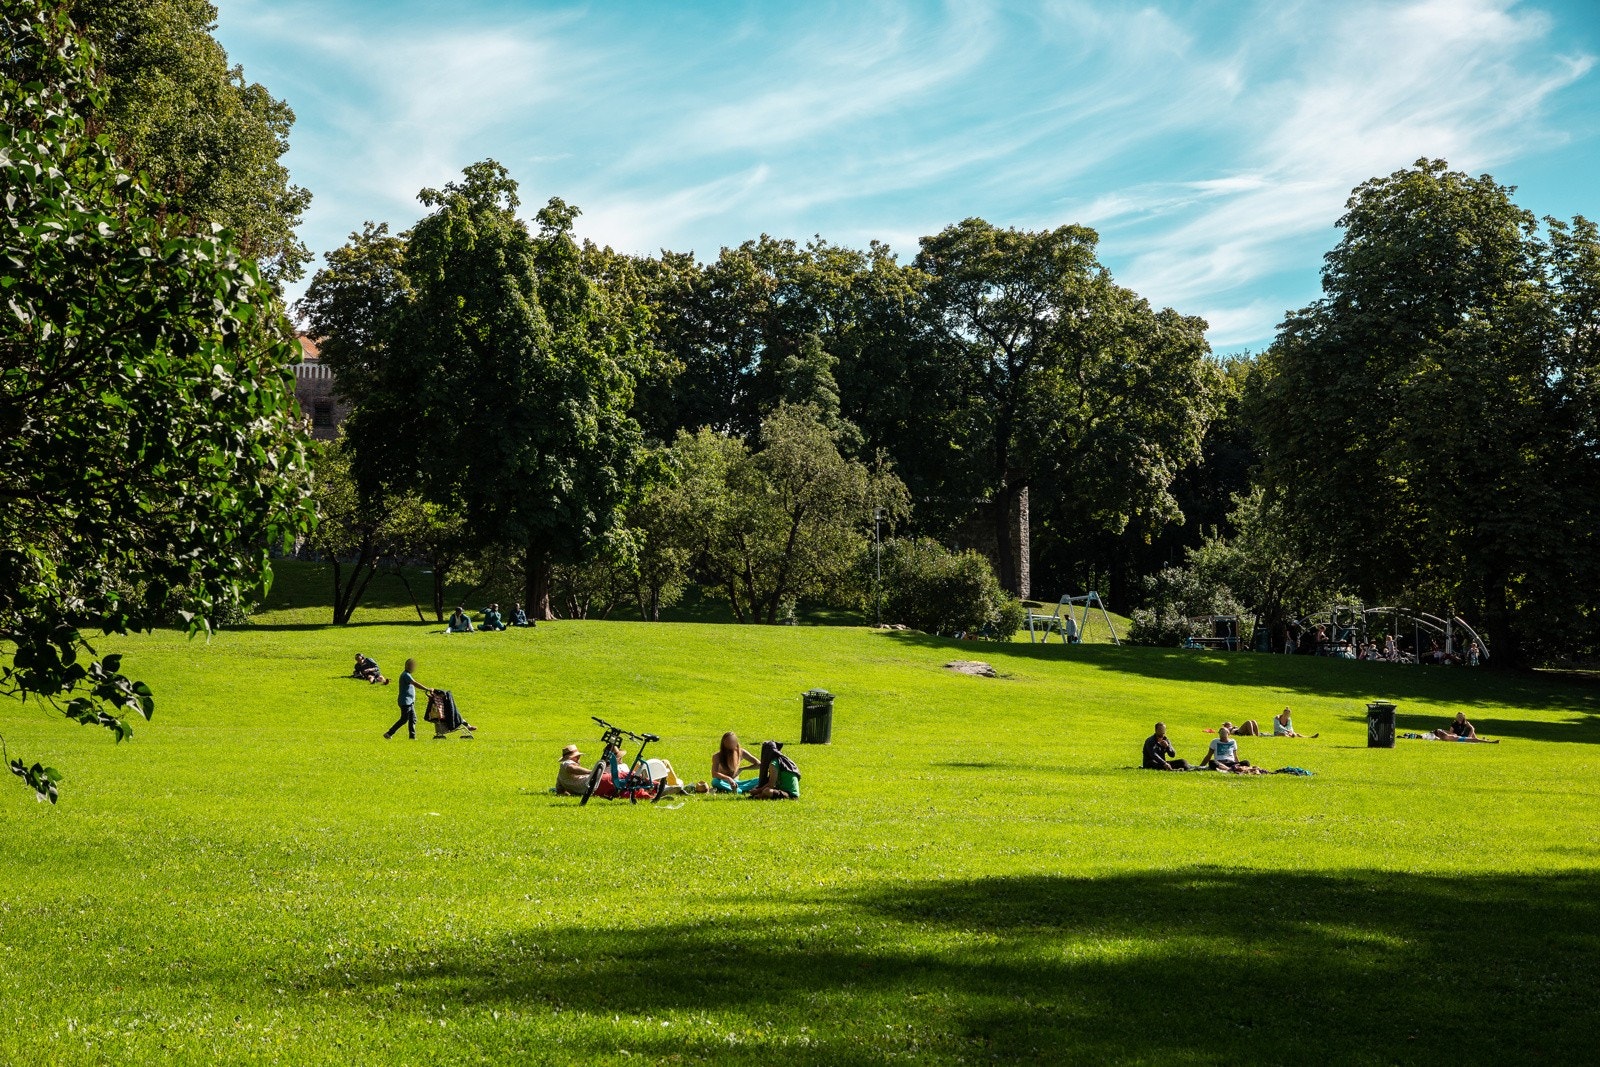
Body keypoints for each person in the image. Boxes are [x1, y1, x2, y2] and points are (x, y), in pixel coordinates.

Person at [385, 658, 433, 740]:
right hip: (405, 701)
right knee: (404, 719)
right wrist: (427, 689)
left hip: (409, 701)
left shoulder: (407, 675)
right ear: (408, 666)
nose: (414, 667)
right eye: (412, 665)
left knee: (413, 719)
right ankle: (389, 733)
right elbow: (415, 683)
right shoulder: (406, 675)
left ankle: (412, 737)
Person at [1433, 712, 1499, 743]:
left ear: (1463, 717)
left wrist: (1470, 735)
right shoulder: (1454, 724)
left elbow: (1472, 728)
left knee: (1472, 733)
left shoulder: (1466, 722)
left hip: (1461, 737)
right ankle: (1489, 742)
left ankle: (1479, 739)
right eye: (1458, 716)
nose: (1459, 718)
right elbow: (1450, 733)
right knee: (1475, 740)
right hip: (1458, 737)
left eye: (1461, 716)